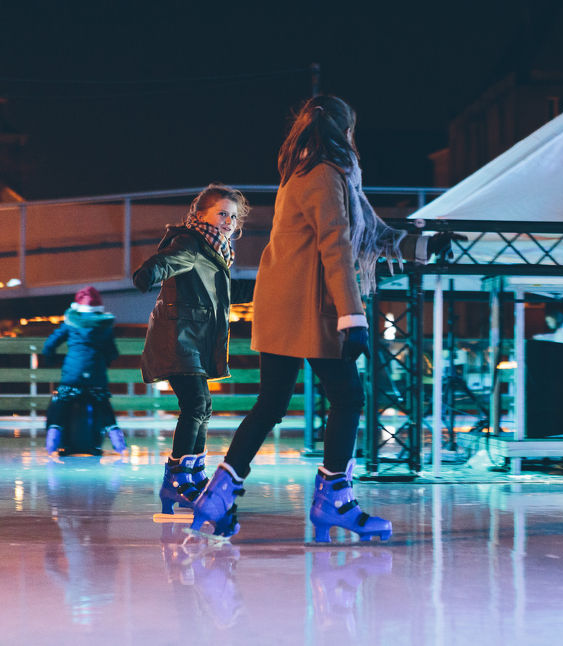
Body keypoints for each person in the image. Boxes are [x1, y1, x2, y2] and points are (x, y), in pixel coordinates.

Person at [191, 94, 460, 541]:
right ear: (343, 132)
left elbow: (371, 234)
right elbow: (337, 246)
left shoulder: (310, 175)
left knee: (271, 404)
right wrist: (352, 318)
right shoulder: (324, 177)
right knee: (348, 398)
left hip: (283, 307)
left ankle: (217, 495)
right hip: (309, 310)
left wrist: (423, 246)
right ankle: (334, 499)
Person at [132, 183, 254, 515]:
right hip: (177, 337)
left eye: (232, 216)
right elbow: (170, 260)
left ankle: (192, 475)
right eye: (221, 214)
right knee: (196, 403)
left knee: (202, 405)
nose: (228, 222)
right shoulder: (190, 243)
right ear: (200, 215)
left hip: (192, 341)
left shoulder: (217, 252)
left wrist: (267, 288)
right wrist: (148, 272)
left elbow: (227, 292)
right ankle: (176, 479)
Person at [42, 286, 126, 456]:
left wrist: (51, 359)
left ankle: (53, 439)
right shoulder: (104, 325)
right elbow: (112, 352)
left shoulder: (71, 322)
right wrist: (105, 362)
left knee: (62, 403)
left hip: (72, 375)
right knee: (104, 405)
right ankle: (118, 442)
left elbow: (49, 345)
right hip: (96, 376)